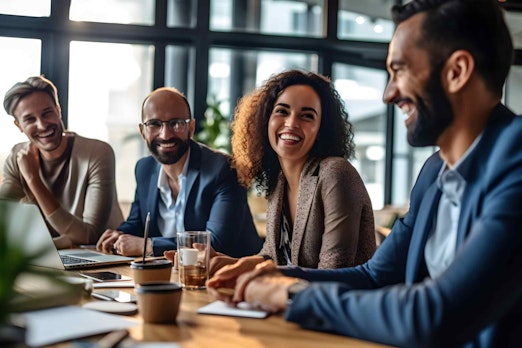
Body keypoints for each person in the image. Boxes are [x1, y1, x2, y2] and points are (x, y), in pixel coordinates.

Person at [207, 0, 522, 347]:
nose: (389, 94)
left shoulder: (515, 161)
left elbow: (437, 313)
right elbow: (374, 276)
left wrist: (291, 294)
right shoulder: (434, 173)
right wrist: (268, 275)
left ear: (457, 71)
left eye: (399, 70)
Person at [194, 70, 375, 274]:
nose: (291, 123)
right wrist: (228, 263)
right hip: (295, 300)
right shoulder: (279, 180)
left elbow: (334, 271)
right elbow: (272, 255)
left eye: (307, 116)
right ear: (265, 121)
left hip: (336, 303)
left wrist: (265, 276)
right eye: (282, 111)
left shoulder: (335, 173)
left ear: (321, 129)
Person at [96, 87, 263, 257]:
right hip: (171, 273)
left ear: (191, 128)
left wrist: (149, 246)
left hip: (231, 276)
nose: (166, 135)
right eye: (154, 124)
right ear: (142, 132)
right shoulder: (144, 169)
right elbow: (138, 224)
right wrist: (119, 235)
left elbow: (216, 243)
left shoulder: (224, 169)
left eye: (176, 123)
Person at [1, 75, 123, 248]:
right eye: (29, 119)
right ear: (18, 125)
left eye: (47, 113)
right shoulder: (18, 156)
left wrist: (33, 180)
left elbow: (90, 235)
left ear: (58, 111)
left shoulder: (97, 153)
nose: (42, 125)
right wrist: (64, 241)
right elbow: (3, 215)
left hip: (103, 259)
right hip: (50, 261)